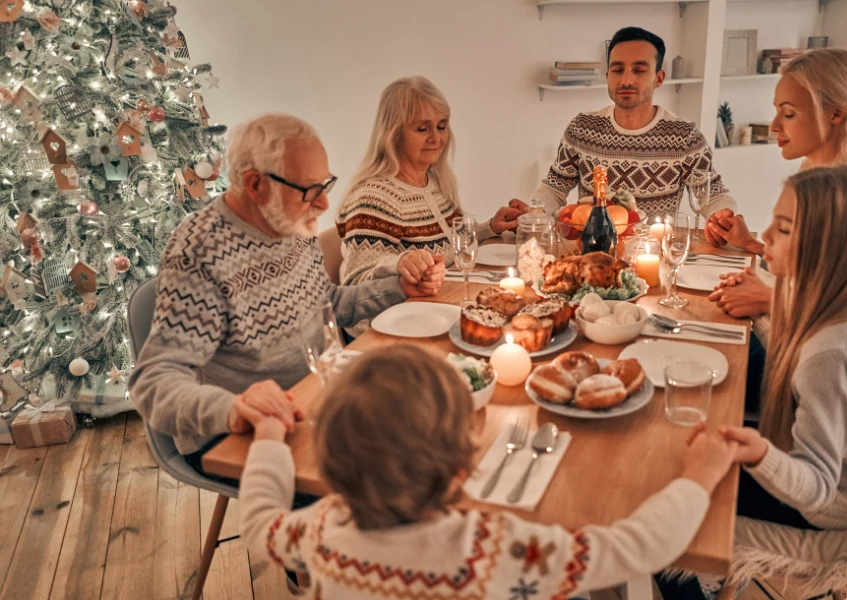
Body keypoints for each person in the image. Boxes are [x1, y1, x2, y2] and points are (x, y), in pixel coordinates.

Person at [239, 345, 738, 599]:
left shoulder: (318, 530)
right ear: (462, 470)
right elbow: (639, 546)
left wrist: (267, 439)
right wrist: (699, 475)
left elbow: (260, 525)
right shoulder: (491, 550)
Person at [129, 114, 445, 473]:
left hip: (320, 394)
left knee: (435, 424)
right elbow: (155, 381)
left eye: (325, 184)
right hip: (245, 432)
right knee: (400, 478)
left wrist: (398, 288)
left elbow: (328, 306)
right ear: (255, 184)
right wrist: (232, 409)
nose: (325, 204)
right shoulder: (200, 252)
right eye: (310, 189)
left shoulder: (290, 224)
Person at [659, 166, 847, 600]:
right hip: (828, 471)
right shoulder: (846, 302)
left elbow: (816, 486)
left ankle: (692, 585)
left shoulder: (836, 352)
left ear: (826, 247)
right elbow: (800, 359)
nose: (765, 236)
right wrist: (763, 317)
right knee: (671, 454)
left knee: (661, 496)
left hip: (827, 510)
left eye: (783, 229)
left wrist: (758, 452)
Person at [707, 49, 847, 320]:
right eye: (777, 112)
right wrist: (750, 244)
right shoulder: (821, 178)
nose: (773, 126)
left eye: (789, 113)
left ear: (835, 114)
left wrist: (768, 299)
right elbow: (815, 272)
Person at [510, 26, 736, 245]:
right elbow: (554, 187)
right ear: (608, 76)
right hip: (593, 253)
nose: (626, 80)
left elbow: (713, 195)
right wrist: (534, 210)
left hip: (653, 256)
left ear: (659, 78)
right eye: (618, 70)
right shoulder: (582, 128)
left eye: (639, 70)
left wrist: (724, 215)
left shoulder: (684, 136)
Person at [337, 76, 522, 293]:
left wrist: (489, 227)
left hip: (441, 297)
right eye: (423, 129)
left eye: (441, 127)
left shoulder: (434, 181)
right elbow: (354, 285)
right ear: (394, 135)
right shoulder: (374, 198)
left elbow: (448, 247)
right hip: (399, 319)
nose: (437, 138)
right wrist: (399, 264)